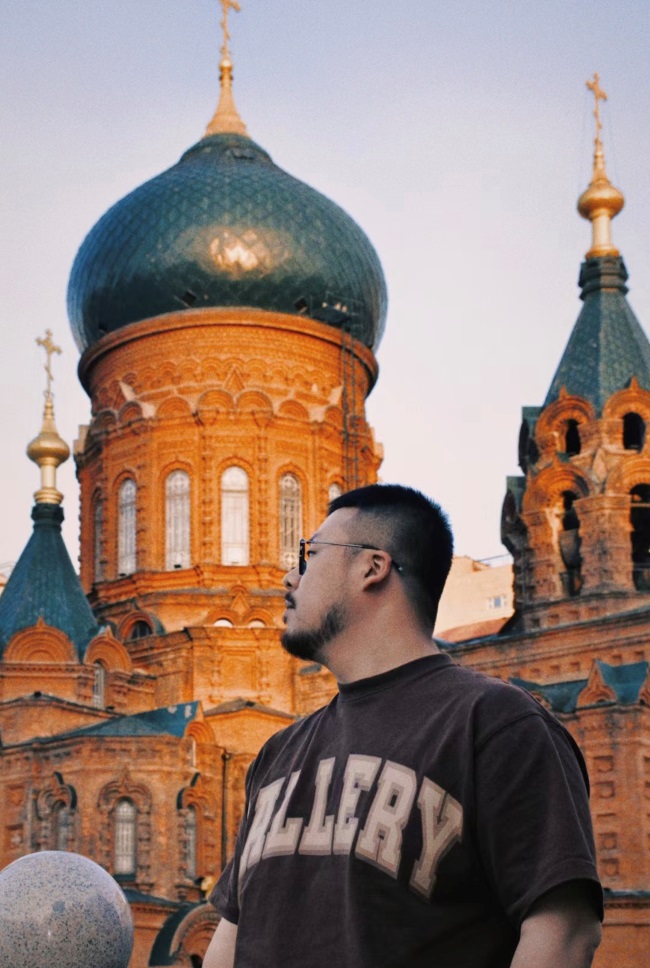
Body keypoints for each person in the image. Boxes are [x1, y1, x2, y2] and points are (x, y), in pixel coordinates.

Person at [204, 484, 603, 968]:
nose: (290, 577)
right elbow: (231, 938)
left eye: (310, 556)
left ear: (372, 567)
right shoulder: (279, 754)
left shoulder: (495, 723)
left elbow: (565, 932)